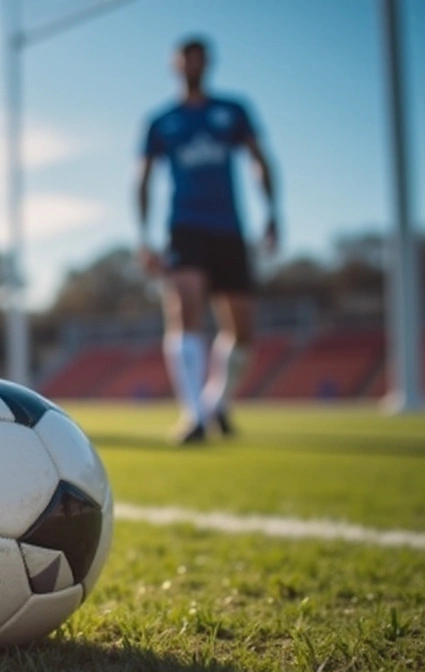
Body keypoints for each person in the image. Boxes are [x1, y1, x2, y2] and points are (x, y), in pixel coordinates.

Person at [136, 36, 278, 444]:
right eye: (185, 60)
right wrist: (144, 237)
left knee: (243, 329)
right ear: (174, 65)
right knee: (186, 311)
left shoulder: (232, 111)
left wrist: (272, 212)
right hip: (185, 226)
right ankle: (193, 416)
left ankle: (217, 403)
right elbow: (142, 178)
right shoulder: (162, 121)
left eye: (198, 59)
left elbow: (257, 158)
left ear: (208, 64)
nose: (191, 66)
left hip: (229, 228)